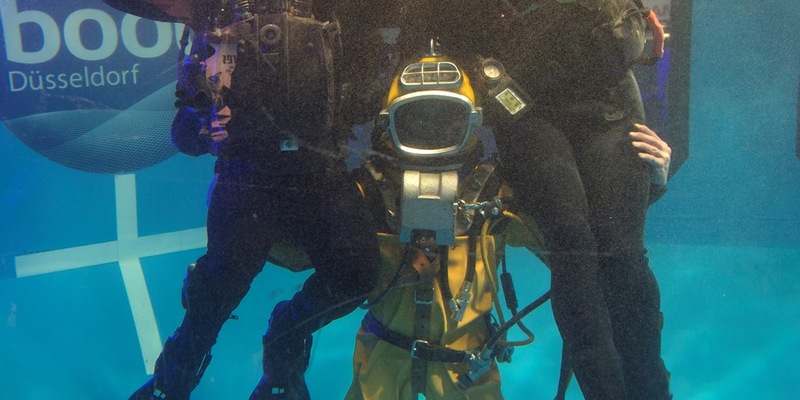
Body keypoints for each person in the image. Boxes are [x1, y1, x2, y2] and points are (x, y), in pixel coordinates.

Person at [334, 0, 672, 398]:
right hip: (520, 99)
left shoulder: (494, 194)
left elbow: (599, 246)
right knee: (576, 250)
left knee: (612, 258)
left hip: (584, 99)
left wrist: (649, 184)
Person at [105, 2, 382, 399]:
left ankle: (285, 339)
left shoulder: (335, 19)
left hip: (319, 173)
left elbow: (365, 97)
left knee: (357, 274)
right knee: (214, 293)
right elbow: (183, 132)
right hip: (248, 176)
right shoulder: (224, 30)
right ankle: (172, 383)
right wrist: (207, 124)